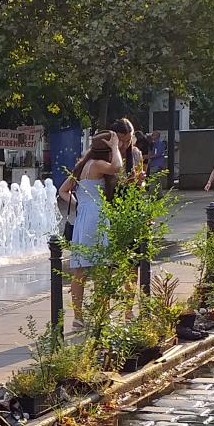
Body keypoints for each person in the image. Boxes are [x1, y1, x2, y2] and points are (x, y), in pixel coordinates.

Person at [60, 131, 122, 321]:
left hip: (83, 217)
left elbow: (63, 190)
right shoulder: (97, 164)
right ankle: (101, 314)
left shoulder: (81, 166)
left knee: (80, 269)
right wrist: (115, 147)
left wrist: (80, 204)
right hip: (96, 215)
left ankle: (78, 318)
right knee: (101, 266)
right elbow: (117, 167)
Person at [110, 118, 146, 187]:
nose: (125, 145)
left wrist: (140, 182)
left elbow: (142, 183)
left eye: (128, 141)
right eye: (120, 140)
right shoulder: (106, 154)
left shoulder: (135, 153)